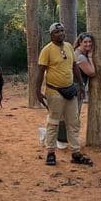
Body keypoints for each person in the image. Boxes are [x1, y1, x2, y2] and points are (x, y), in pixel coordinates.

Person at [36, 22, 93, 167]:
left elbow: (74, 66)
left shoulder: (68, 46)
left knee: (73, 122)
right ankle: (50, 152)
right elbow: (41, 71)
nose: (60, 33)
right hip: (54, 91)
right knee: (54, 122)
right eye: (57, 32)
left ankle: (76, 153)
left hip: (70, 89)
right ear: (51, 35)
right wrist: (37, 91)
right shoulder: (47, 50)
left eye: (62, 31)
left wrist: (80, 85)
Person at [74, 32, 97, 110]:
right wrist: (90, 57)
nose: (88, 44)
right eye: (85, 42)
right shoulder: (80, 57)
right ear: (80, 42)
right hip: (76, 88)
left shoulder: (78, 52)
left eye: (90, 42)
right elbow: (92, 73)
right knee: (75, 113)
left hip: (75, 87)